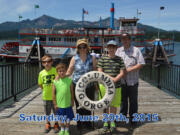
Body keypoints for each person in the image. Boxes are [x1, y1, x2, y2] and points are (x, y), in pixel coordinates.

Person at [115, 33, 145, 125]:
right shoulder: (118, 51)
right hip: (122, 81)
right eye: (123, 39)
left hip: (133, 81)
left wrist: (128, 70)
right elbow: (115, 62)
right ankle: (122, 116)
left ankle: (133, 118)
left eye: (126, 39)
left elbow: (141, 63)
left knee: (133, 101)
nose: (124, 40)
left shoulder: (136, 50)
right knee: (122, 101)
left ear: (130, 40)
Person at [66, 38, 96, 129]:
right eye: (80, 47)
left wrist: (96, 83)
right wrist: (61, 76)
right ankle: (80, 122)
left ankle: (87, 123)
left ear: (87, 47)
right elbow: (70, 71)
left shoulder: (92, 57)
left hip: (89, 85)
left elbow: (95, 70)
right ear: (77, 48)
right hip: (77, 85)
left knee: (88, 104)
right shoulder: (74, 58)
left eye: (84, 46)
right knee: (79, 105)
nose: (82, 48)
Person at [97, 40, 126, 132]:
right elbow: (100, 71)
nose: (111, 49)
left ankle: (112, 122)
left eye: (113, 47)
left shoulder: (120, 59)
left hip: (116, 86)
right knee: (105, 105)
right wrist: (111, 78)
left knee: (113, 105)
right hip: (104, 86)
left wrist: (116, 79)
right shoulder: (102, 59)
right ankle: (105, 122)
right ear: (107, 48)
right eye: (109, 47)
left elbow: (122, 72)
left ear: (116, 48)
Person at [38, 55, 59, 133]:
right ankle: (48, 123)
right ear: (43, 64)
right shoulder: (41, 73)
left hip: (56, 97)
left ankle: (56, 124)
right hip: (46, 96)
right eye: (44, 62)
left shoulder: (56, 70)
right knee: (47, 112)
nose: (47, 63)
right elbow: (40, 84)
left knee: (56, 112)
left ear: (52, 62)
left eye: (49, 61)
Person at [53, 63, 74, 135]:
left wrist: (72, 101)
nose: (61, 72)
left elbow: (72, 92)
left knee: (67, 118)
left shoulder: (69, 80)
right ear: (57, 72)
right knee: (61, 118)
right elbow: (53, 93)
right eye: (60, 71)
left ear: (66, 71)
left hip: (68, 104)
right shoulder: (55, 81)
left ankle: (67, 129)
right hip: (59, 104)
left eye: (63, 71)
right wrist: (55, 103)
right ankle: (62, 129)